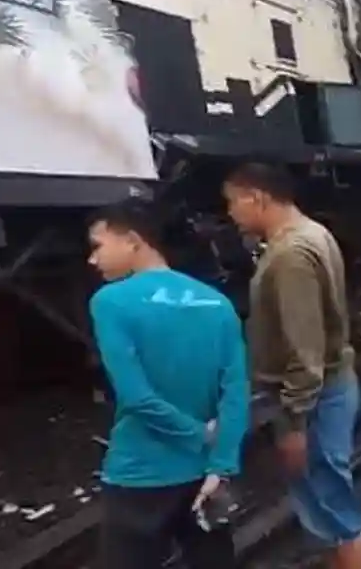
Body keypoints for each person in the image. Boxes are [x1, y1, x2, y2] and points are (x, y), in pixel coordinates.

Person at [222, 163, 361, 569]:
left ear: (257, 197)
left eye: (233, 202)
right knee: (330, 497)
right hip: (333, 384)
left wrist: (293, 424)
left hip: (317, 398)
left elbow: (305, 353)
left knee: (333, 506)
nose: (231, 213)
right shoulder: (314, 233)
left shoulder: (290, 255)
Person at [86, 198, 249, 569]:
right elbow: (237, 391)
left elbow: (136, 397)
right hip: (205, 474)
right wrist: (221, 464)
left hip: (140, 473)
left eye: (97, 246)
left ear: (131, 240)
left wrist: (197, 433)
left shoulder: (110, 302)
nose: (92, 260)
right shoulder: (217, 303)